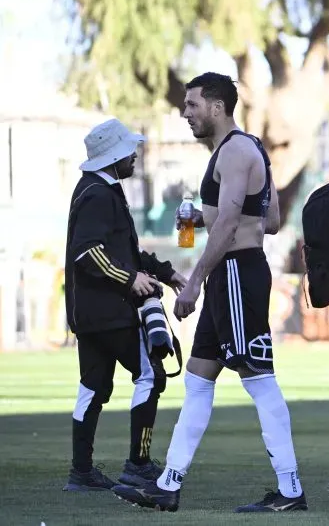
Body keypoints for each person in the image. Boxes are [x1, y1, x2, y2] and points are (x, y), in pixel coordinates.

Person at [113, 72, 307, 513]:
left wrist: (195, 280)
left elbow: (234, 221)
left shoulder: (235, 150)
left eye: (192, 105)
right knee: (198, 382)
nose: (186, 113)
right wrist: (203, 217)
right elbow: (269, 219)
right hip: (232, 275)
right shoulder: (247, 148)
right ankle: (168, 484)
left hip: (236, 274)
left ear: (217, 106)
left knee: (259, 379)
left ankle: (291, 490)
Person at [64, 119, 186, 491]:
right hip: (112, 312)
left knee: (93, 388)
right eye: (128, 151)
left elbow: (126, 253)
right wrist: (130, 279)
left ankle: (81, 473)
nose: (134, 156)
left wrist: (165, 273)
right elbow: (88, 253)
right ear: (113, 157)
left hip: (89, 316)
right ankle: (139, 464)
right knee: (152, 376)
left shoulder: (95, 190)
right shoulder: (100, 195)